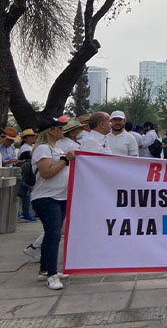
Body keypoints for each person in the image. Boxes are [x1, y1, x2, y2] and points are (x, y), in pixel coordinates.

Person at [29, 117, 77, 290]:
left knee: (53, 234)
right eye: (59, 128)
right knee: (53, 235)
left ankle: (45, 268)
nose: (62, 130)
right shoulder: (43, 149)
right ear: (50, 131)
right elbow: (47, 172)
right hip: (47, 198)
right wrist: (65, 161)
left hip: (60, 197)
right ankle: (51, 274)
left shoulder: (56, 148)